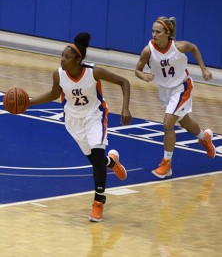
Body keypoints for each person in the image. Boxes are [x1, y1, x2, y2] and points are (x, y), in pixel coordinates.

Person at [29, 32, 132, 221]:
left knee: (97, 155)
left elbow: (124, 82)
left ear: (78, 59)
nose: (62, 60)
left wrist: (125, 108)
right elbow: (53, 94)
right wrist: (29, 103)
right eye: (62, 56)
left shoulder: (94, 72)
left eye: (67, 57)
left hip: (95, 117)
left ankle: (98, 202)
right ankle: (112, 162)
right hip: (73, 121)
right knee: (97, 161)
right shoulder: (58, 74)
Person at [135, 16, 215, 179]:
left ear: (167, 33)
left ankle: (167, 163)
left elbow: (194, 48)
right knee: (185, 122)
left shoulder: (178, 46)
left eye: (158, 32)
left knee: (168, 123)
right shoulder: (148, 50)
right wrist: (143, 76)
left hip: (182, 87)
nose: (154, 34)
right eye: (152, 31)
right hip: (165, 91)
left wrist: (203, 69)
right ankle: (204, 137)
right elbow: (137, 69)